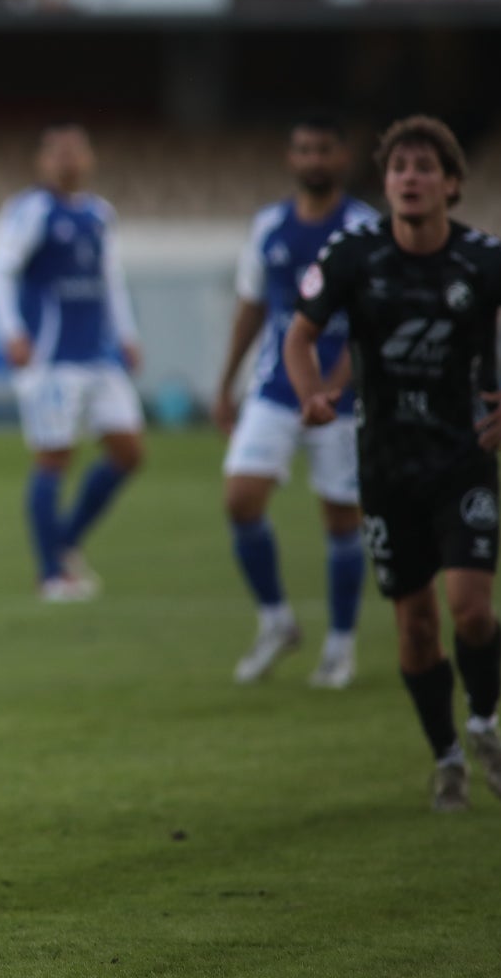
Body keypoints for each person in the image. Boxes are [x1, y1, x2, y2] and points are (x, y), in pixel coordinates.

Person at [286, 116, 501, 811]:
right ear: (386, 183)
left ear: (451, 184)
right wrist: (311, 398)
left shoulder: (486, 260)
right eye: (399, 169)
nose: (410, 179)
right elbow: (299, 336)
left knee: (470, 610)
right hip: (386, 468)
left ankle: (484, 723)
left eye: (425, 168)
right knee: (416, 626)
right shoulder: (353, 256)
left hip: (463, 460)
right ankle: (446, 755)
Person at [213, 121, 376, 688]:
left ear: (344, 156)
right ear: (290, 155)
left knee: (340, 519)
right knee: (240, 498)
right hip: (276, 389)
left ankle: (339, 645)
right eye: (304, 149)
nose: (313, 158)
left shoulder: (362, 228)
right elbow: (252, 307)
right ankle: (277, 620)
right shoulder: (269, 226)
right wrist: (225, 384)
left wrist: (334, 384)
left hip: (344, 399)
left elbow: (374, 321)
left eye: (324, 149)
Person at [0, 124, 145, 602]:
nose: (67, 161)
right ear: (42, 161)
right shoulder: (31, 210)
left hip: (99, 355)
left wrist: (127, 334)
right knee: (54, 455)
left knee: (129, 452)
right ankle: (52, 572)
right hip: (51, 358)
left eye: (75, 152)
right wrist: (12, 332)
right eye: (57, 153)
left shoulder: (100, 214)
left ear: (90, 158)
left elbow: (110, 279)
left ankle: (67, 539)